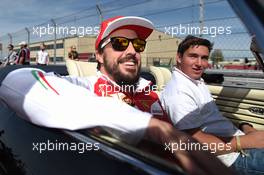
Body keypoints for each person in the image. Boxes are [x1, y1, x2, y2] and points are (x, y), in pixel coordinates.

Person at [0, 17, 234, 175]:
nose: (132, 51)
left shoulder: (150, 89)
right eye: (120, 43)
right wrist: (154, 128)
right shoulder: (84, 86)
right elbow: (16, 81)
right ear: (99, 55)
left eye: (138, 44)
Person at [160, 35, 264, 175]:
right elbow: (194, 143)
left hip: (236, 145)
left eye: (204, 58)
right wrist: (244, 142)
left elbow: (212, 120)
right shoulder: (179, 92)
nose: (199, 63)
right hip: (230, 158)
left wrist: (244, 127)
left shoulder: (195, 81)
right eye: (193, 56)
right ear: (179, 57)